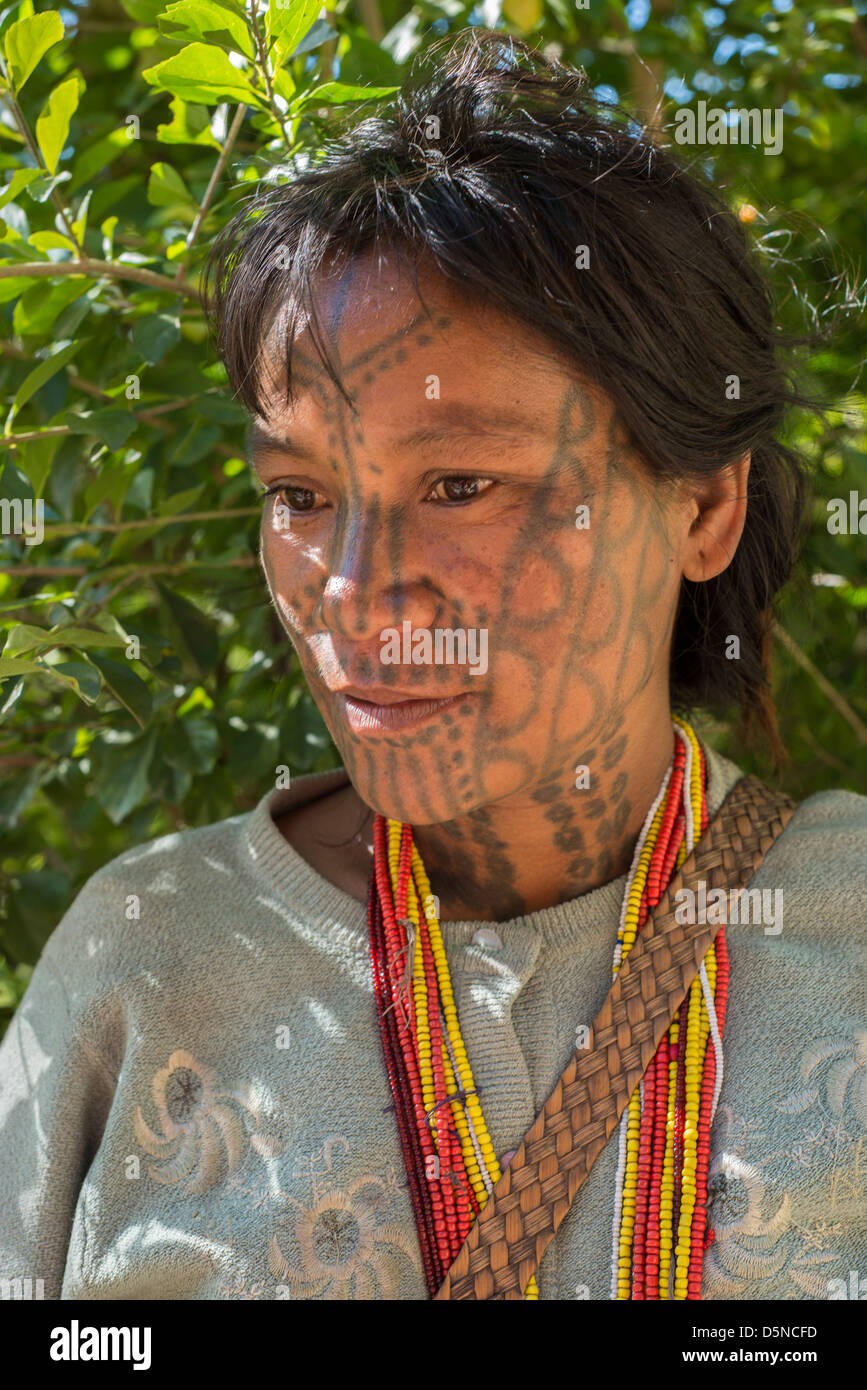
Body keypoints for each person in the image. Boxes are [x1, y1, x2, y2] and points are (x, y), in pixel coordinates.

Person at [1, 28, 864, 1302]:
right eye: (297, 492)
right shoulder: (148, 966)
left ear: (702, 510)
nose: (349, 589)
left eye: (461, 484)